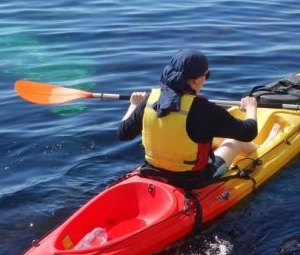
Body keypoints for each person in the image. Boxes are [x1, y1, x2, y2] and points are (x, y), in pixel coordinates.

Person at [118, 49, 276, 189]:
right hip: (193, 179)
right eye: (206, 75)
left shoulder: (148, 102)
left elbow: (123, 133)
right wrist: (251, 107)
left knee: (205, 136)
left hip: (153, 170)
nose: (206, 79)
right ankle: (265, 147)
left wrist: (133, 105)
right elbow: (248, 132)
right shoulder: (204, 110)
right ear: (196, 80)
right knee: (234, 142)